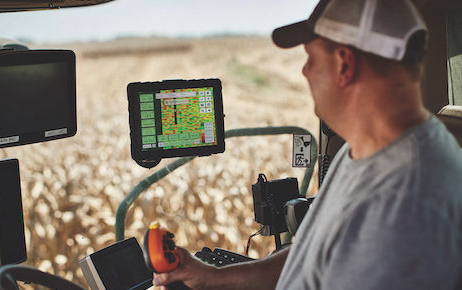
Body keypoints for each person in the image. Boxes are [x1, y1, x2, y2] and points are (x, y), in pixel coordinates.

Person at [154, 0, 462, 289]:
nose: (304, 71)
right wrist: (214, 277)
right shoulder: (363, 150)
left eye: (310, 57)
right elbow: (310, 255)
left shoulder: (407, 202)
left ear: (344, 64)